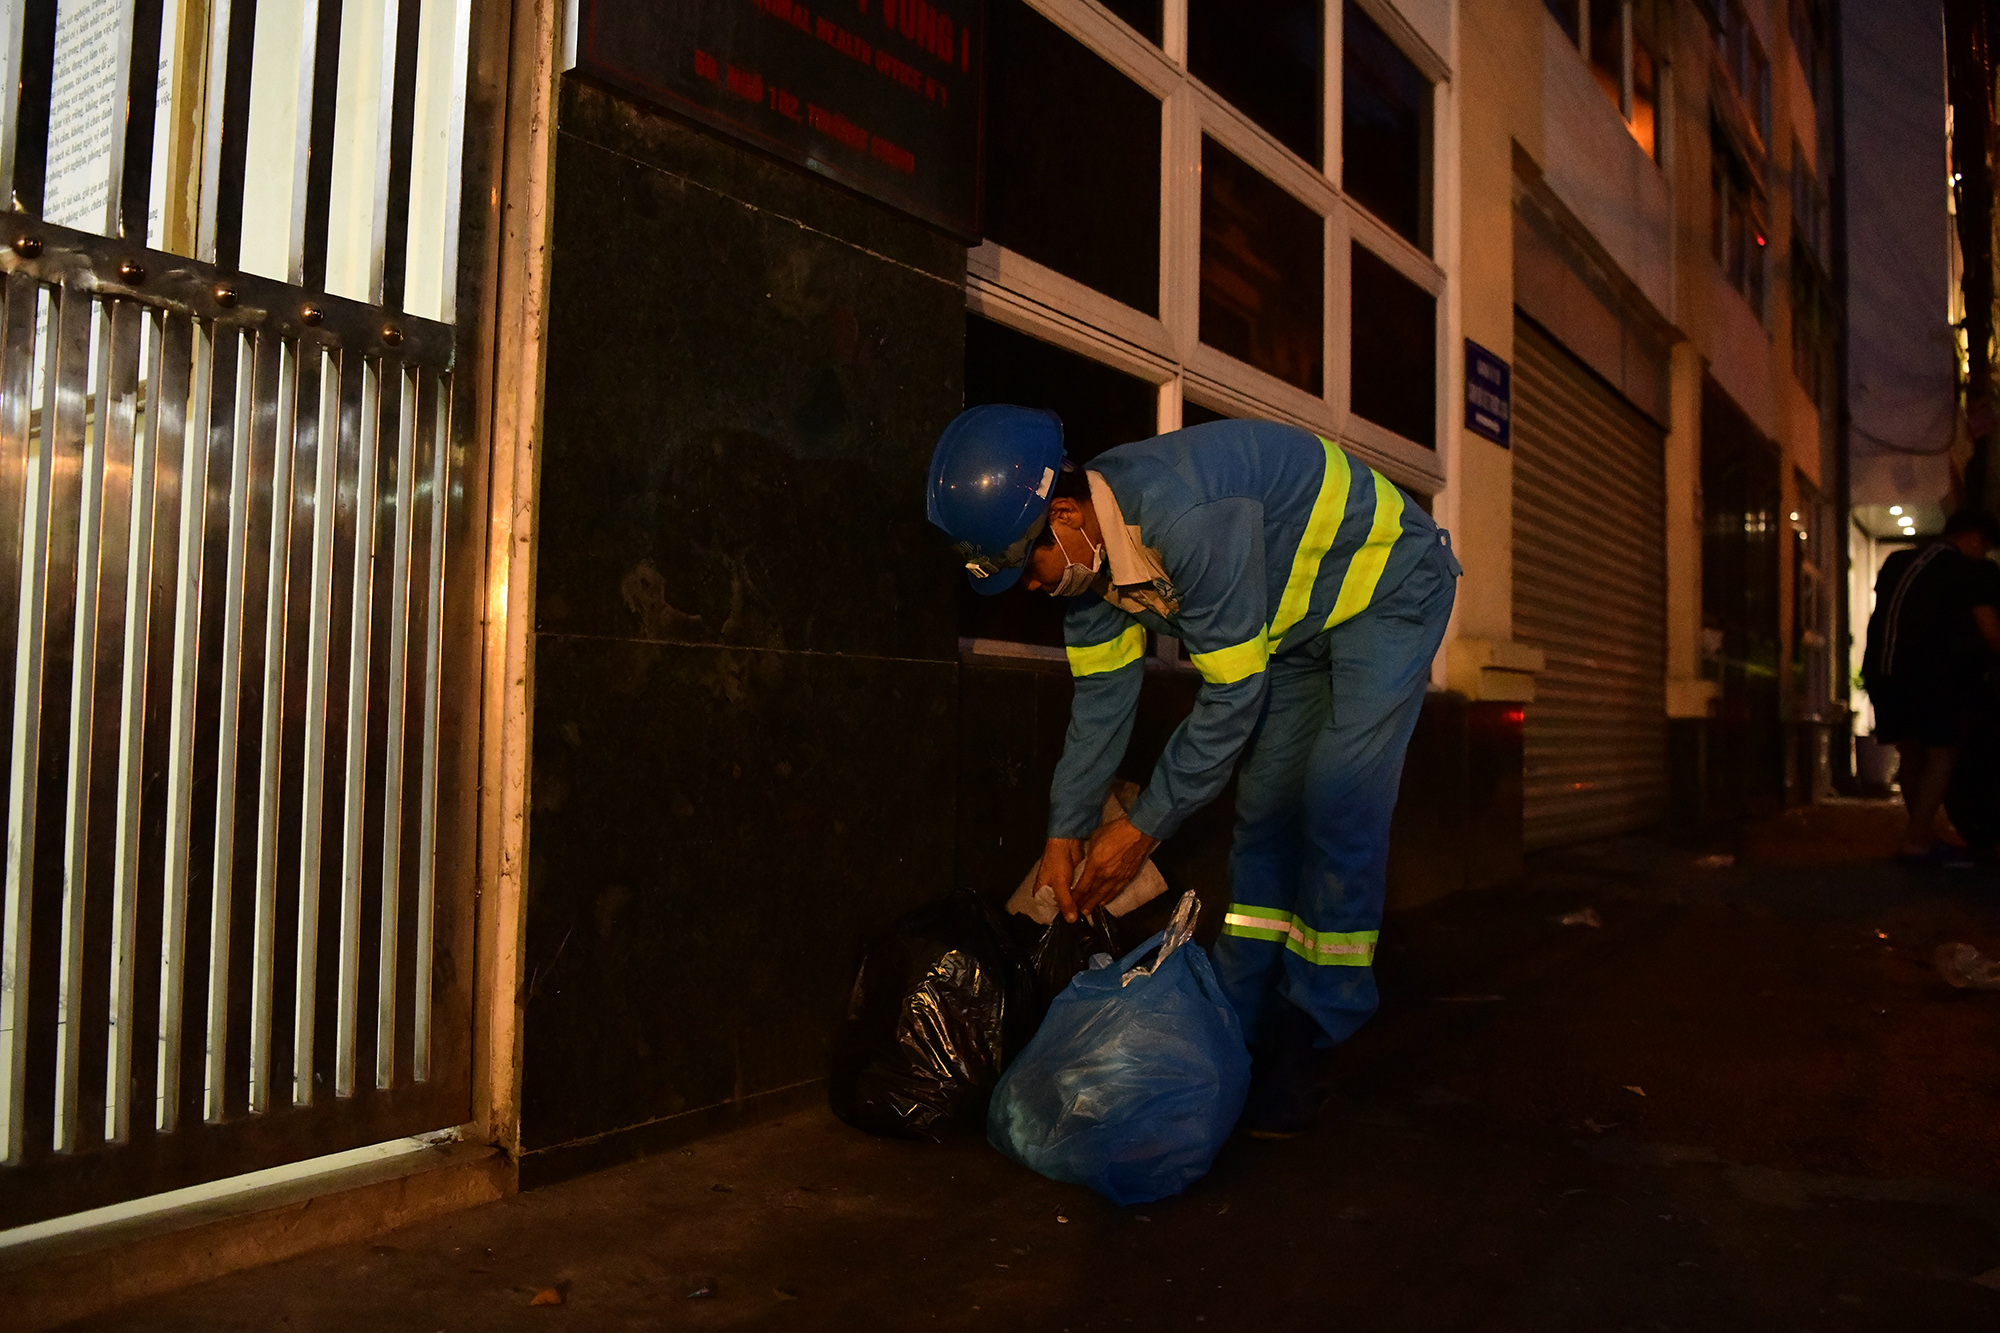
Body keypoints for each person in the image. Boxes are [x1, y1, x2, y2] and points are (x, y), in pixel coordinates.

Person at [926, 407, 1459, 1137]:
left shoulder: (1187, 516)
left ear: (1066, 512)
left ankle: (1314, 1032)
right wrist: (1065, 829)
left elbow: (1232, 698)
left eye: (1026, 561)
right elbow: (1103, 706)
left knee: (1338, 802)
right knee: (1266, 808)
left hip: (1392, 588)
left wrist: (1143, 828)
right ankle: (1239, 1019)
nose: (1028, 585)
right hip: (1297, 630)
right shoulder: (1089, 575)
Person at [1861, 508, 2000, 866]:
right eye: (1985, 548)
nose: (1984, 554)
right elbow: (1990, 632)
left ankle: (1919, 834)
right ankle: (1918, 839)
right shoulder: (1969, 570)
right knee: (1944, 752)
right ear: (1975, 538)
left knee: (1912, 751)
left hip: (1882, 669)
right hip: (1929, 673)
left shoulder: (1898, 561)